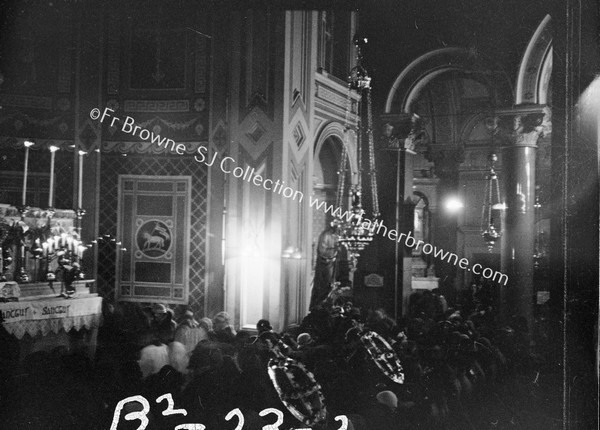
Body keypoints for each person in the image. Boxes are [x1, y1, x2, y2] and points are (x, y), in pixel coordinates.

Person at [309, 224, 351, 310]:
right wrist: (334, 248)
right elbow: (322, 249)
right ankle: (321, 302)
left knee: (332, 282)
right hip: (325, 262)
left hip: (334, 261)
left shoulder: (337, 235)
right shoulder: (326, 235)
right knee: (325, 282)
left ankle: (328, 302)